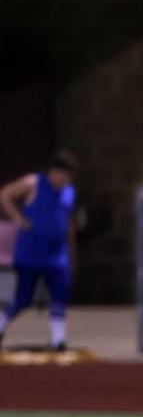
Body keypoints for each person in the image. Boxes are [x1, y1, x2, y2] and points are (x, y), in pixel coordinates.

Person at [0, 150, 79, 351]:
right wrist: (18, 219)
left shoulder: (69, 191)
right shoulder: (33, 183)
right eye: (62, 175)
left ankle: (58, 340)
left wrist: (71, 252)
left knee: (60, 294)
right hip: (30, 253)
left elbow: (68, 221)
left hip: (57, 255)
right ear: (52, 172)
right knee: (23, 298)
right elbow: (5, 195)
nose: (64, 180)